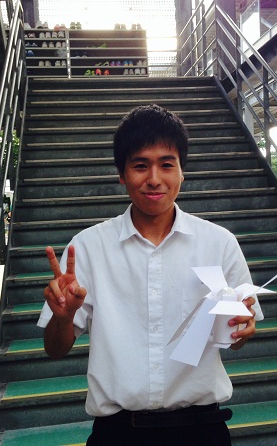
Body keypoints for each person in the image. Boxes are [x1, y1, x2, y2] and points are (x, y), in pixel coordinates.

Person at [38, 104, 262, 446]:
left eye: (167, 165)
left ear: (182, 171)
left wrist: (242, 329)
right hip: (119, 434)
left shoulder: (220, 244)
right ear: (121, 173)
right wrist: (63, 316)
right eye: (140, 165)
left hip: (202, 430)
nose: (154, 179)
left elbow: (237, 338)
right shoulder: (87, 248)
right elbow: (55, 349)